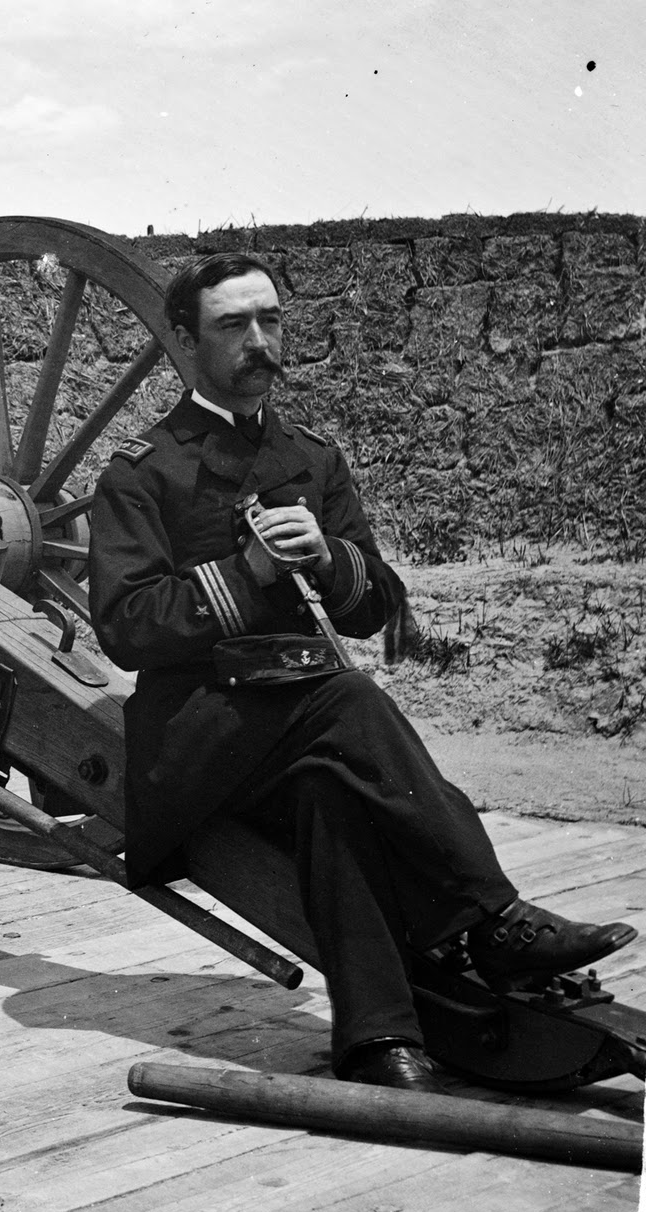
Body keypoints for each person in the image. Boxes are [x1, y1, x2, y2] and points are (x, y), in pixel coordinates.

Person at [87, 252, 636, 1092]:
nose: (259, 340)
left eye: (270, 319)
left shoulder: (311, 457)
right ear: (186, 342)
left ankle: (379, 1038)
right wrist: (249, 575)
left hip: (299, 738)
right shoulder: (143, 470)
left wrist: (331, 559)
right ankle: (493, 919)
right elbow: (126, 626)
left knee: (332, 791)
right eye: (233, 324)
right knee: (346, 698)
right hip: (196, 738)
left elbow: (374, 604)